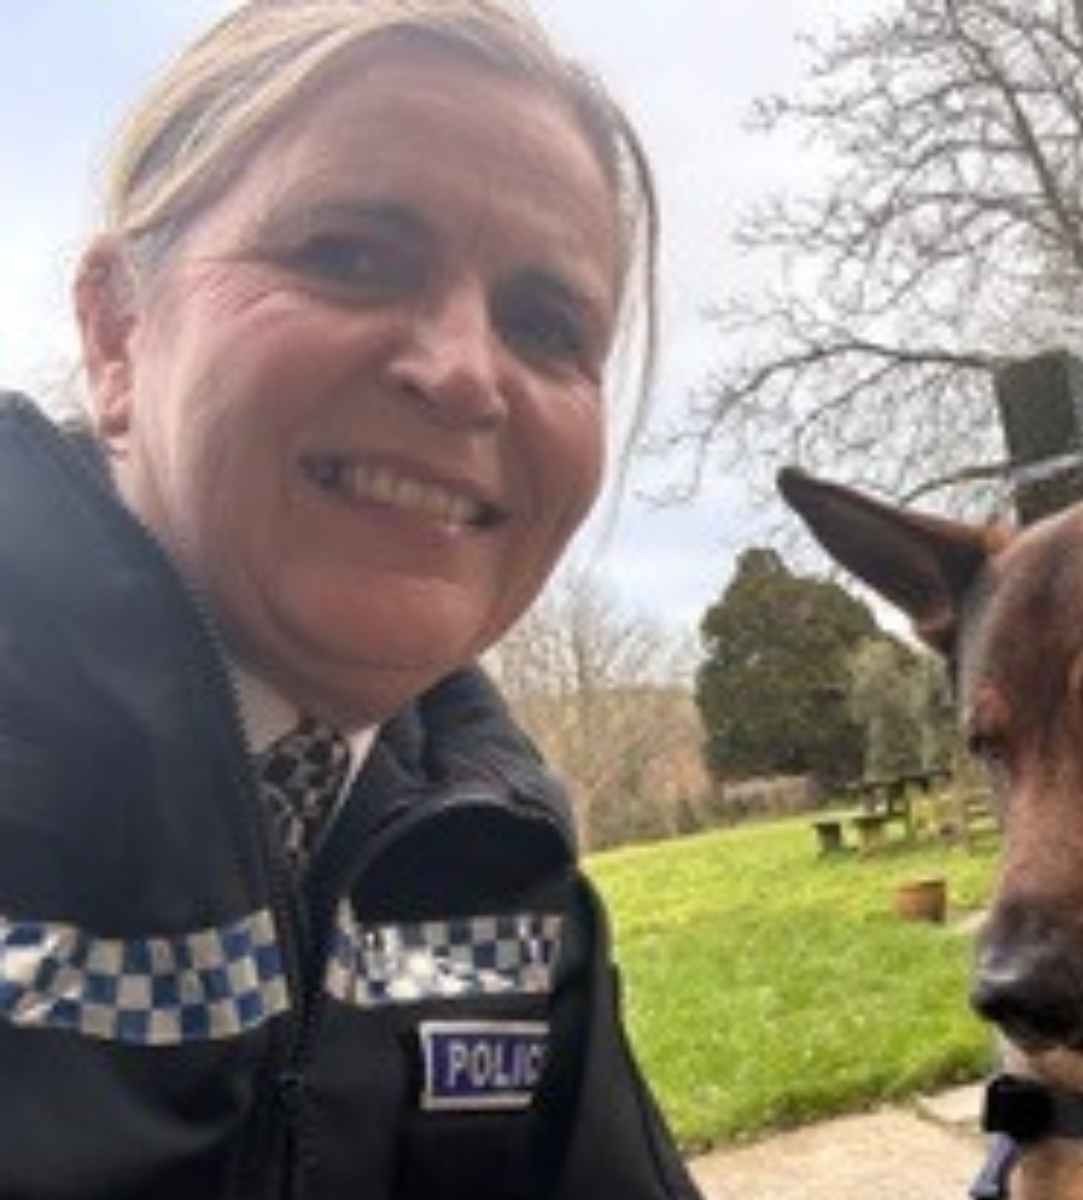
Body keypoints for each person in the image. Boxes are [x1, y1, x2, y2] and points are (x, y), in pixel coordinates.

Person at [0, 2, 701, 1197]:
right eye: (347, 255)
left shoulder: (495, 863)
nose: (465, 373)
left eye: (546, 325)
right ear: (117, 334)